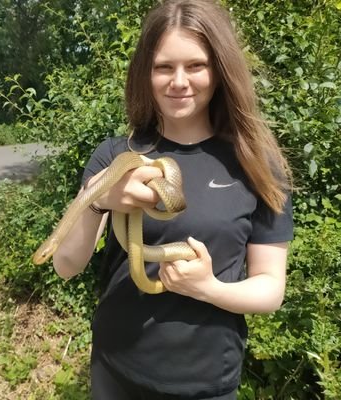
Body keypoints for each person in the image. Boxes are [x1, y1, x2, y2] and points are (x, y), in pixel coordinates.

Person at [52, 0, 293, 399]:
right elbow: (65, 265)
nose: (178, 81)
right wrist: (100, 201)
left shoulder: (256, 163)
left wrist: (208, 287)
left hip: (206, 382)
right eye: (163, 67)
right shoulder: (115, 157)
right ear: (145, 73)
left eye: (195, 65)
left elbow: (270, 289)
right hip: (116, 370)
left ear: (219, 71)